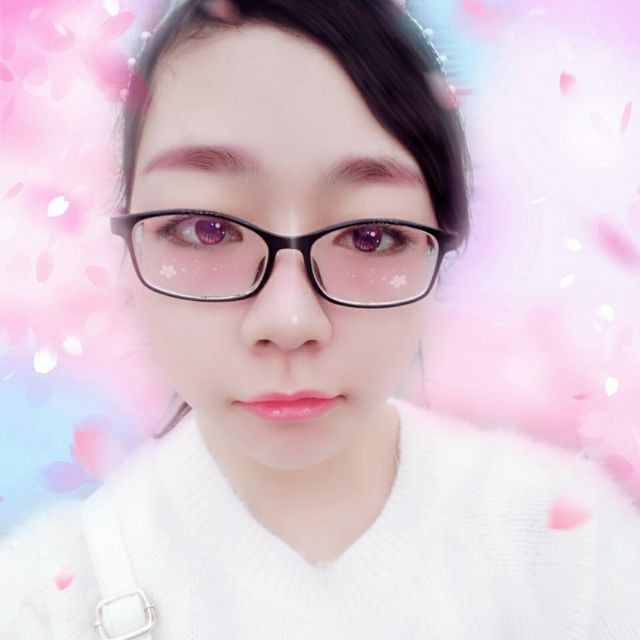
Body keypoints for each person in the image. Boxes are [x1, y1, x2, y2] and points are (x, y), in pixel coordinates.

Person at [1, 0, 639, 638]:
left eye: (369, 235)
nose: (289, 320)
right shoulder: (43, 602)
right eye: (206, 228)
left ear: (442, 243)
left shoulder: (573, 551)